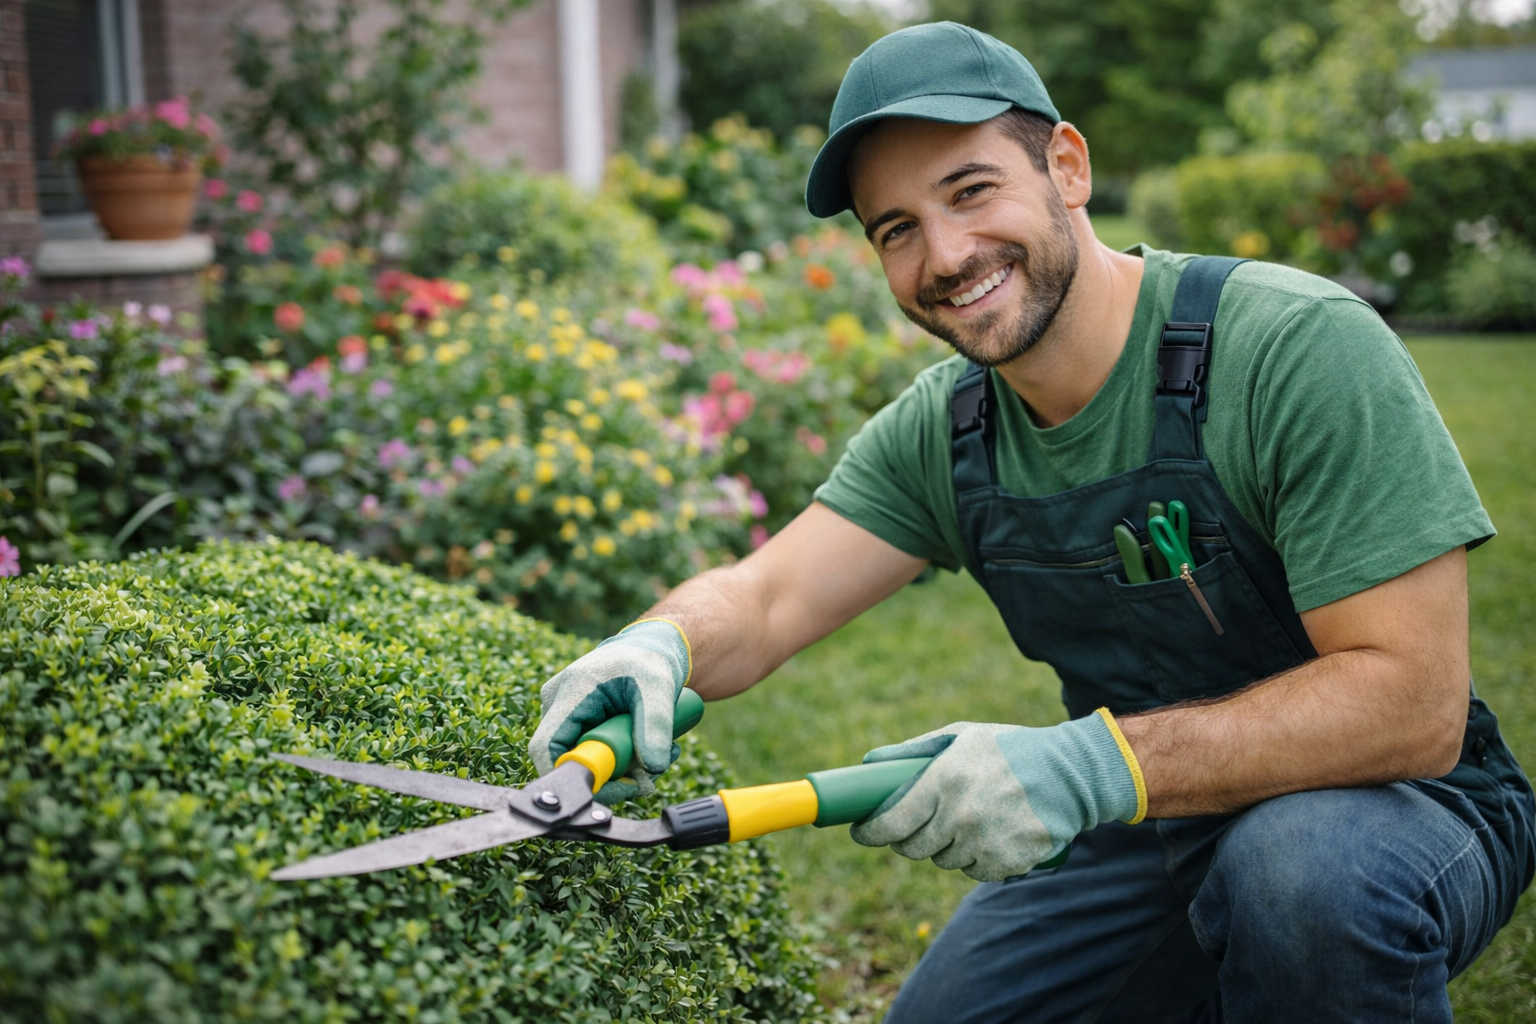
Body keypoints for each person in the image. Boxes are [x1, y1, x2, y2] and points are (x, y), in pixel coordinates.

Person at [529, 22, 1533, 1023]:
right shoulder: (951, 428)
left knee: (1304, 878)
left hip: (1402, 806)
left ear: (1066, 164)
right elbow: (767, 594)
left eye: (971, 191)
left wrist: (1092, 765)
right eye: (897, 229)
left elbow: (1412, 703)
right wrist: (660, 641)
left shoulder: (1291, 349)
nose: (947, 254)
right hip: (1146, 821)